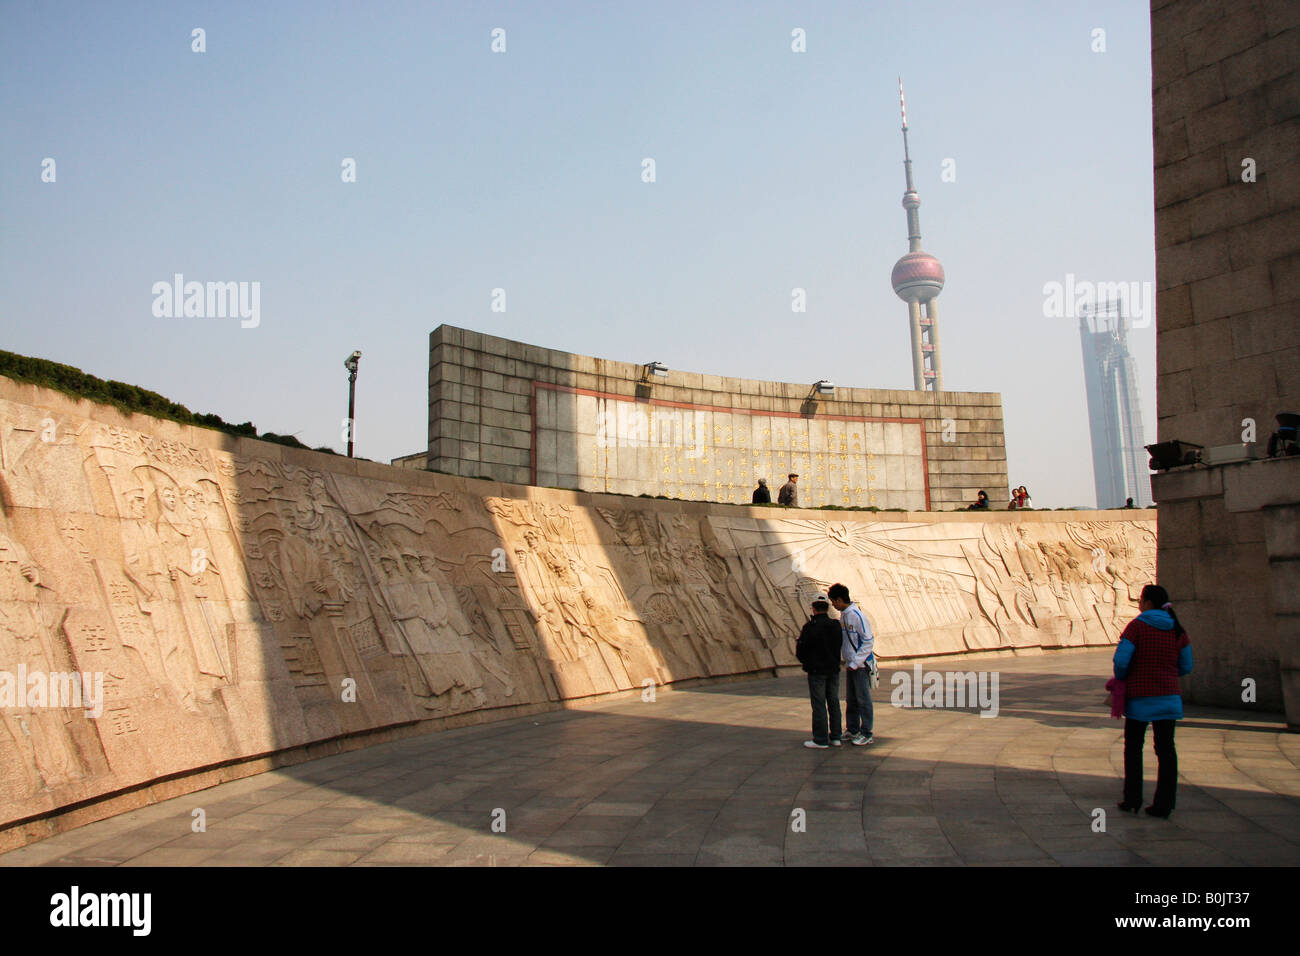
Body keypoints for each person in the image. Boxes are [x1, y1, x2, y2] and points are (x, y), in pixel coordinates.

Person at [1113, 584, 1192, 819]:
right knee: (1167, 751)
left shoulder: (1136, 627)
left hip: (1139, 699)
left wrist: (1122, 678)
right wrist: (1166, 674)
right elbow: (1187, 666)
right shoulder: (1178, 630)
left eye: (1141, 600)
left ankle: (1132, 799)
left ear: (1147, 603)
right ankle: (1164, 804)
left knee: (1134, 749)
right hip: (1169, 699)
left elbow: (1121, 660)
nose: (1139, 604)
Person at [796, 594, 844, 749]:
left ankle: (821, 739)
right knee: (833, 702)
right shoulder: (835, 625)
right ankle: (836, 736)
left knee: (819, 704)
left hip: (817, 671)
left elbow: (801, 650)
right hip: (833, 669)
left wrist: (807, 662)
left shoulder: (810, 627)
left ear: (814, 608)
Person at [829, 582, 874, 745]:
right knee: (852, 699)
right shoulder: (845, 615)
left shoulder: (856, 615)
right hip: (851, 664)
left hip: (860, 665)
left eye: (834, 602)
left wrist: (855, 662)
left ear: (840, 600)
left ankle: (867, 732)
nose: (833, 605)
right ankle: (853, 729)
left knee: (863, 699)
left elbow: (868, 641)